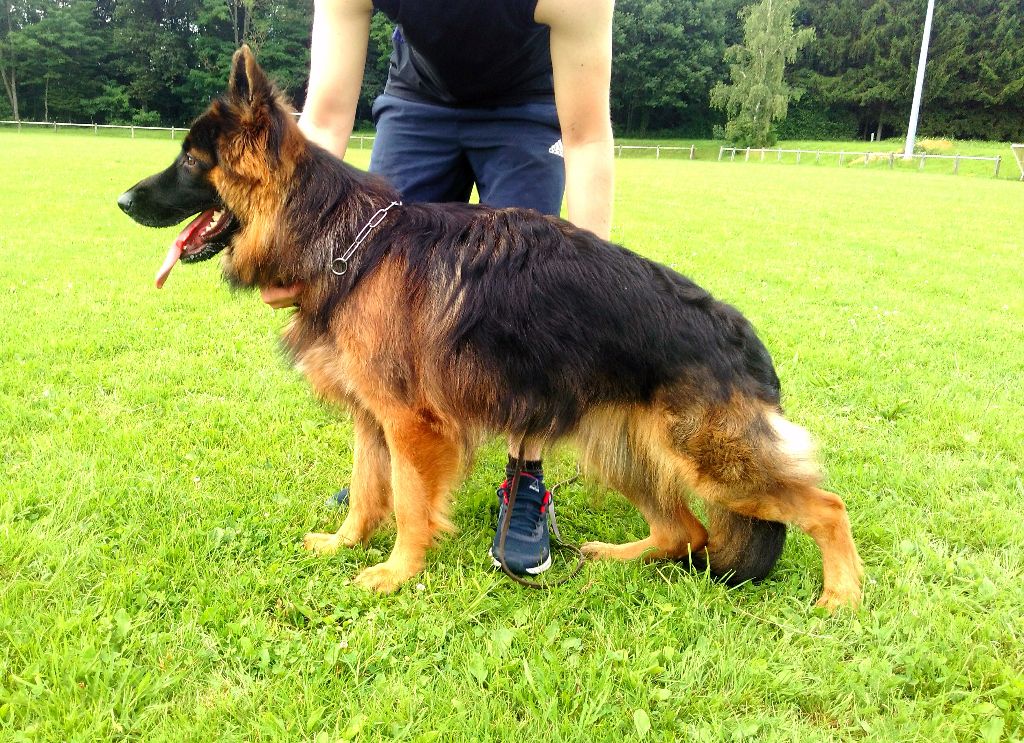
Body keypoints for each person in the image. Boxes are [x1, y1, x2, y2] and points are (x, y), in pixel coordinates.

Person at [261, 0, 614, 576]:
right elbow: (323, 120)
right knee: (374, 296)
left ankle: (525, 479)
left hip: (527, 110)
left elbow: (587, 138)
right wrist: (293, 251)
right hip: (418, 106)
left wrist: (590, 271)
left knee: (524, 306)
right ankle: (382, 482)